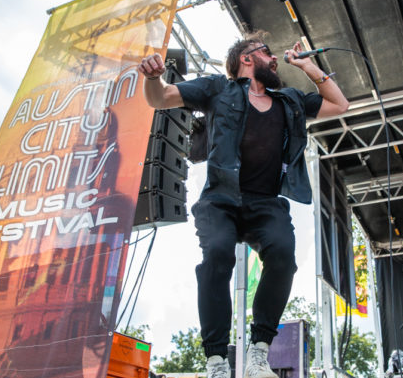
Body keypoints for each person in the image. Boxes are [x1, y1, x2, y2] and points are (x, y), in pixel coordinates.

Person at [137, 31, 348, 378]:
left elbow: (340, 105)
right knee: (217, 254)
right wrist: (153, 78)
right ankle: (216, 361)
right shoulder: (218, 88)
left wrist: (308, 67)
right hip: (220, 199)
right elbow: (160, 98)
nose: (275, 58)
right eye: (267, 52)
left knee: (283, 255)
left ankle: (258, 353)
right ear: (246, 59)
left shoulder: (289, 100)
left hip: (265, 202)